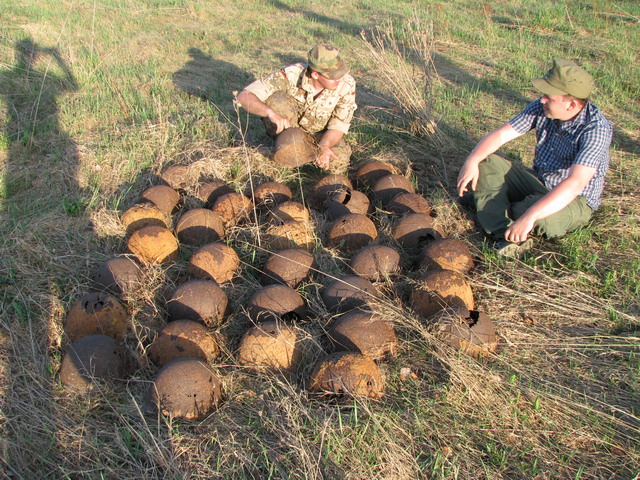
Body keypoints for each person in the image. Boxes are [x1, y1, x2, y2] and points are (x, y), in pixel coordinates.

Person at [457, 59, 613, 257]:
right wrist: (472, 160)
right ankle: (501, 232)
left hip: (575, 199)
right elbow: (501, 135)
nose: (542, 100)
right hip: (538, 182)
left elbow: (575, 184)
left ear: (571, 104)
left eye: (549, 97)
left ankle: (494, 206)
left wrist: (530, 215)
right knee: (486, 161)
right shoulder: (543, 108)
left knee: (542, 219)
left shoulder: (596, 130)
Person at [236, 44, 357, 174]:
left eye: (340, 73)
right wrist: (270, 113)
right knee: (276, 99)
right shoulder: (291, 74)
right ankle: (287, 147)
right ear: (315, 75)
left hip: (321, 134)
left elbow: (339, 124)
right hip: (290, 129)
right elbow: (244, 97)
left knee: (338, 162)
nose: (339, 79)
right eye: (333, 76)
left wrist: (325, 145)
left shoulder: (346, 85)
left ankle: (307, 152)